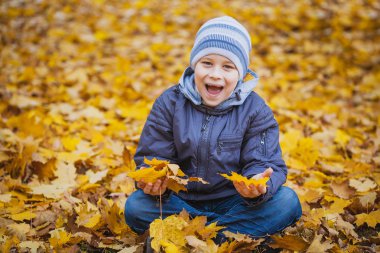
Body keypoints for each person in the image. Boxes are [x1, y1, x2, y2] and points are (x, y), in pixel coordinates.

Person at [125, 16, 302, 245]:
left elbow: (264, 162)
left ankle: (198, 239)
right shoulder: (170, 103)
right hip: (180, 203)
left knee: (287, 202)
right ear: (194, 66)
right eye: (207, 63)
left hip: (235, 203)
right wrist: (155, 180)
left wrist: (257, 184)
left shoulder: (255, 110)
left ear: (240, 74)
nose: (216, 74)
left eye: (227, 67)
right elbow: (154, 154)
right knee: (136, 206)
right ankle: (226, 238)